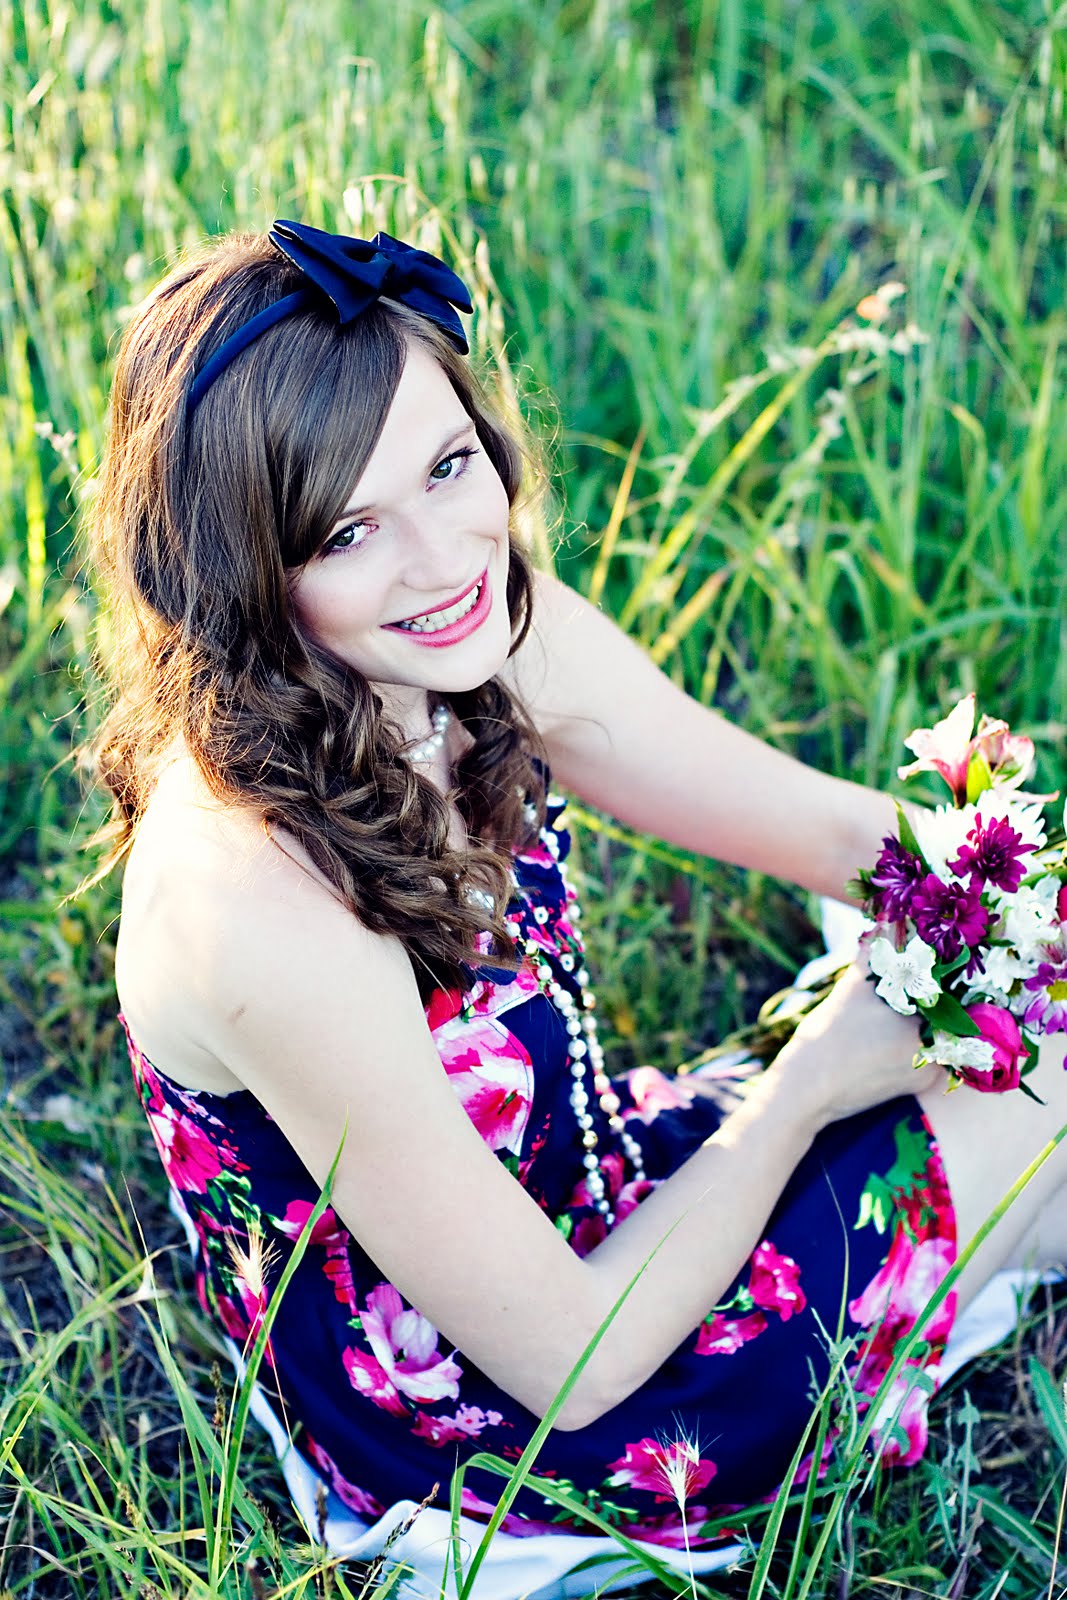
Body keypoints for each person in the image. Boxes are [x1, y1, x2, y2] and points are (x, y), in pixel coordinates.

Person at [91, 219, 1067, 1568]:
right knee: (1035, 1095)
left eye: (449, 466)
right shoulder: (255, 898)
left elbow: (824, 831)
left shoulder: (467, 628)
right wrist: (811, 1087)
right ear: (243, 573)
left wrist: (981, 867)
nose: (444, 556)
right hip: (518, 1411)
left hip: (597, 1186)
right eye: (350, 531)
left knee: (1038, 1018)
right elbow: (572, 1362)